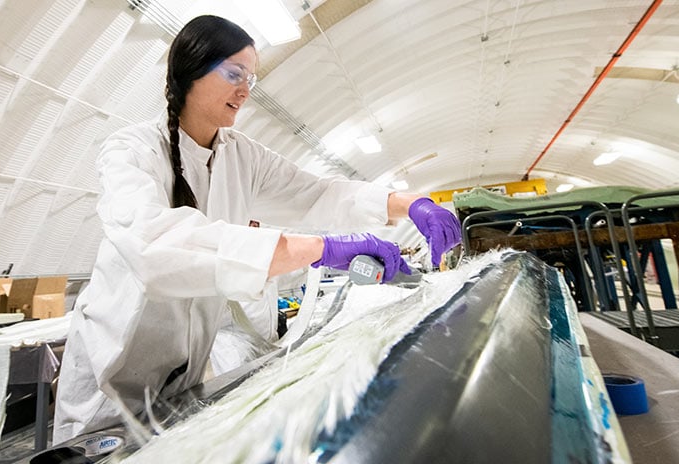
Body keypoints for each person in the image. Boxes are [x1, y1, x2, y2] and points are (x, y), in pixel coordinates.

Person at [52, 15, 461, 444]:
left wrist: (408, 203)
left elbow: (317, 193)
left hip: (182, 374)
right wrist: (320, 248)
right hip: (111, 373)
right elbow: (154, 246)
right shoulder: (131, 151)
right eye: (233, 73)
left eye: (251, 77)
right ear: (191, 70)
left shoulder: (242, 156)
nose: (245, 89)